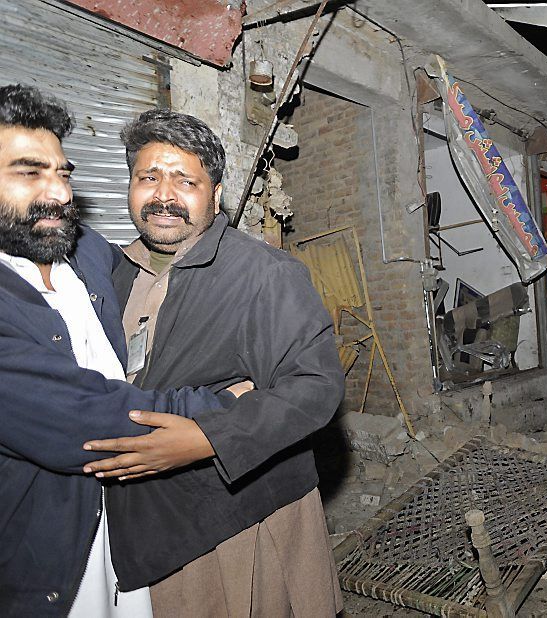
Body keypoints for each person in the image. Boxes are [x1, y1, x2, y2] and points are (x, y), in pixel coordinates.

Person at [82, 109, 346, 616]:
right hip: (151, 517)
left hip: (240, 511)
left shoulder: (265, 273)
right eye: (148, 178)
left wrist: (206, 438)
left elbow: (314, 386)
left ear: (216, 194)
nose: (164, 195)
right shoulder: (111, 276)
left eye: (186, 180)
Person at [0, 84, 246, 616]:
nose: (60, 194)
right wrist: (231, 405)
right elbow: (91, 420)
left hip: (127, 534)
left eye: (63, 173)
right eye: (28, 173)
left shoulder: (82, 250)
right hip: (46, 563)